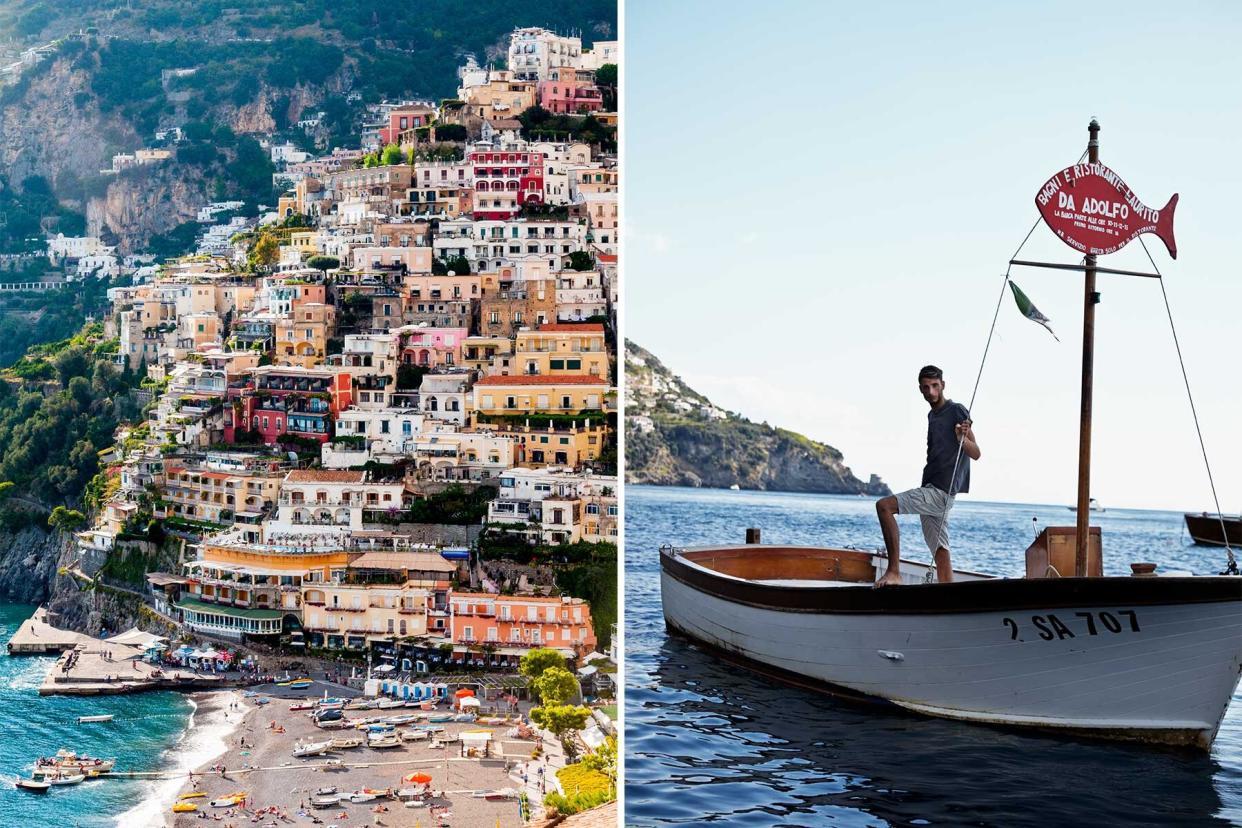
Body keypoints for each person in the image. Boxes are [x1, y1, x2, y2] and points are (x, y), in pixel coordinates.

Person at [875, 365, 980, 586]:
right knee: (940, 549)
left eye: (935, 386)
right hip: (931, 487)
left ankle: (894, 572)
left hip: (941, 492)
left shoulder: (957, 411)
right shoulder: (932, 415)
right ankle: (948, 593)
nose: (931, 392)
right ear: (920, 390)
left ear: (943, 385)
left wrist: (962, 439)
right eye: (926, 387)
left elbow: (976, 453)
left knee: (884, 506)